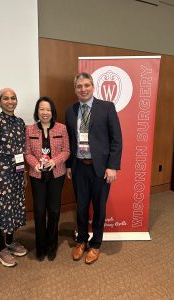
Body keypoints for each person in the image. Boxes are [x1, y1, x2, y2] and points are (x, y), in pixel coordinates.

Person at [65, 72, 122, 264]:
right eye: (79, 86)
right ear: (75, 90)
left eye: (87, 85)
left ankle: (96, 244)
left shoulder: (107, 107)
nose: (83, 89)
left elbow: (116, 139)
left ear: (93, 86)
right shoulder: (70, 110)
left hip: (100, 169)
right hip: (79, 167)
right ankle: (81, 240)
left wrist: (112, 166)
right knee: (81, 207)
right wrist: (69, 165)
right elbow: (70, 141)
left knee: (99, 208)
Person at [0, 88, 27, 267]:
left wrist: (23, 173)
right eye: (6, 98)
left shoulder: (20, 123)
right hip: (2, 175)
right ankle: (1, 249)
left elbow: (21, 152)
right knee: (1, 211)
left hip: (17, 174)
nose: (10, 101)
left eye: (13, 98)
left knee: (14, 209)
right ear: (0, 102)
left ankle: (10, 241)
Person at [25, 96, 70, 261]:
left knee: (54, 210)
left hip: (56, 175)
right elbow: (27, 152)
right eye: (42, 109)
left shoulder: (61, 128)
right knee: (38, 211)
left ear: (53, 112)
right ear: (37, 111)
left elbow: (66, 151)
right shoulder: (29, 129)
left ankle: (52, 246)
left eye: (48, 109)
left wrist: (54, 161)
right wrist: (34, 163)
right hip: (37, 176)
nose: (45, 112)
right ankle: (40, 247)